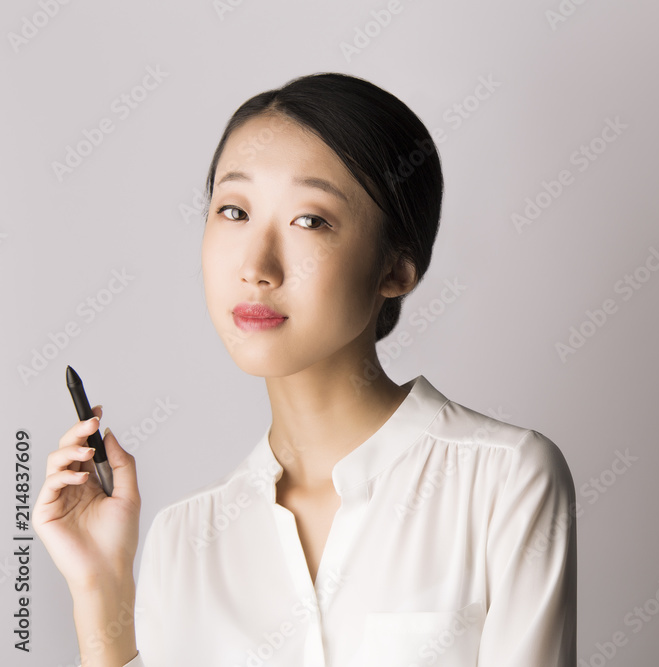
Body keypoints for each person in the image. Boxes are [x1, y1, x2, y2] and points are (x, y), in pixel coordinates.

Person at [32, 72, 577, 667]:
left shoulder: (503, 480)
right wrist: (101, 588)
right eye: (234, 211)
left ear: (396, 268)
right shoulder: (184, 536)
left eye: (310, 220)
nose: (256, 266)